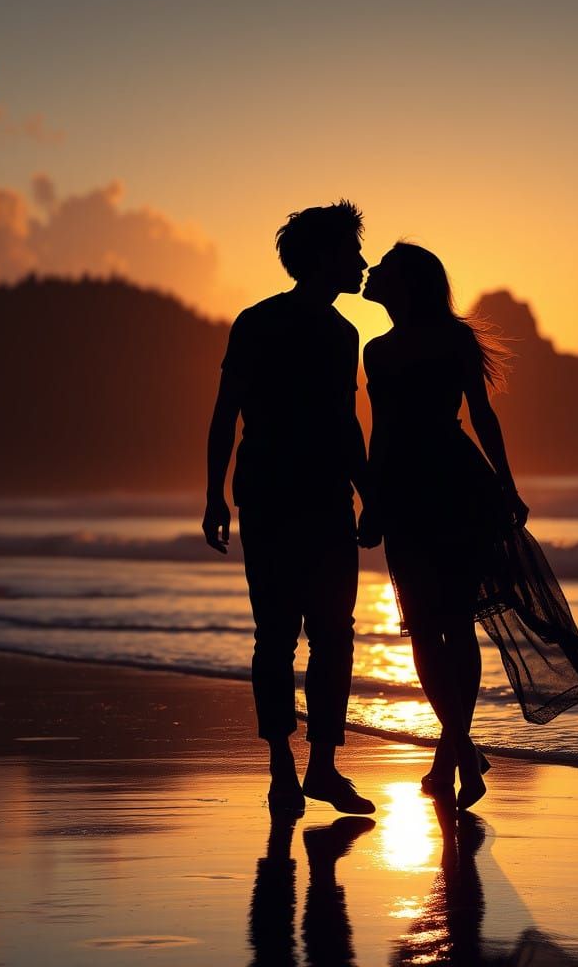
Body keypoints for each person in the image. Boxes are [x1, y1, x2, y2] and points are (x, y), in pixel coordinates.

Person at [358, 243, 578, 811]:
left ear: (409, 283)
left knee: (444, 624)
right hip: (424, 487)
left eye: (384, 268)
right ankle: (459, 751)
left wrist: (507, 482)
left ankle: (453, 753)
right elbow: (393, 429)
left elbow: (480, 414)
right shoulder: (379, 349)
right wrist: (373, 500)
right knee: (431, 628)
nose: (372, 272)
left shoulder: (442, 341)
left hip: (445, 487)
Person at [203, 200, 375, 817]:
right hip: (276, 497)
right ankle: (285, 766)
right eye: (351, 253)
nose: (360, 263)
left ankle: (316, 769)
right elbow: (228, 411)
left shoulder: (342, 333)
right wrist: (212, 494)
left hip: (316, 496)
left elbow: (345, 422)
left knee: (321, 636)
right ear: (323, 257)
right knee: (288, 635)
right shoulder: (257, 323)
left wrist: (367, 492)